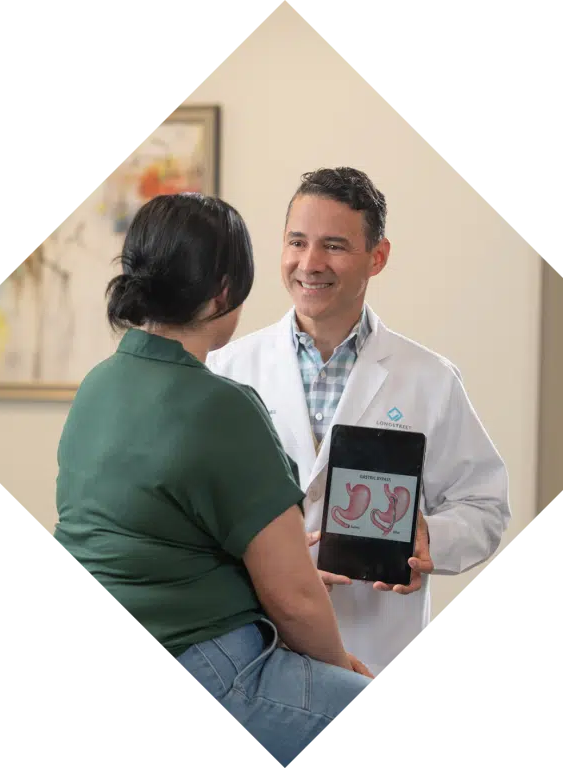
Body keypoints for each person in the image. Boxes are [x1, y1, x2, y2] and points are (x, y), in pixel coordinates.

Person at [52, 192, 374, 766]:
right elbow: (294, 599)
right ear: (224, 291)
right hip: (204, 658)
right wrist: (341, 669)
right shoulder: (222, 406)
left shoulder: (99, 384)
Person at [207, 167, 512, 680]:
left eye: (334, 246)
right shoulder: (226, 369)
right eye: (297, 242)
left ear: (378, 257)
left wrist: (428, 538)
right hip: (252, 649)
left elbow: (485, 507)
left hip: (374, 650)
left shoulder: (429, 379)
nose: (310, 263)